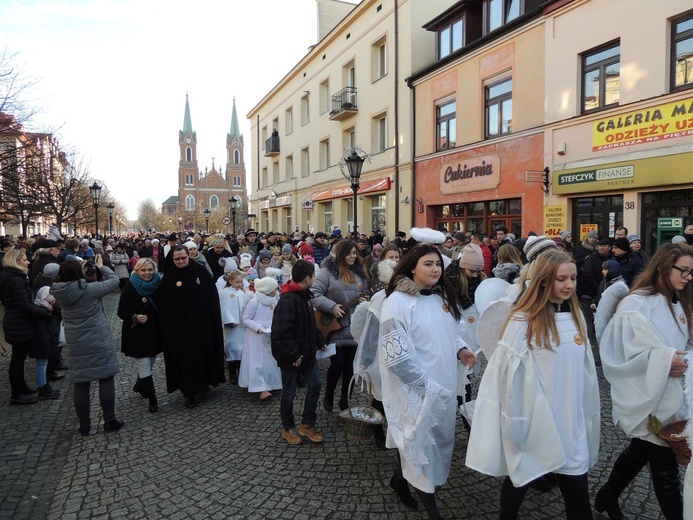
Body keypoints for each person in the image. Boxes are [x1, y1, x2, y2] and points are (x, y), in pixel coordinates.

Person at [467, 249, 600, 519]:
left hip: (571, 424)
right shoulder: (522, 320)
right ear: (542, 280)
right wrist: (515, 424)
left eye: (573, 278)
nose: (569, 285)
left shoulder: (575, 318)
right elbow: (506, 377)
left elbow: (584, 374)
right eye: (561, 279)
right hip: (534, 422)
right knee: (520, 479)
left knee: (578, 496)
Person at [595, 242, 693, 520]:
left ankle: (606, 496)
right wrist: (663, 361)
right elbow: (620, 353)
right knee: (665, 472)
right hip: (647, 397)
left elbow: (681, 342)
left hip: (670, 395)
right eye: (684, 271)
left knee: (639, 451)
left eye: (691, 272)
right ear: (663, 266)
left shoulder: (677, 299)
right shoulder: (635, 303)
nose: (688, 278)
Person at [378, 243, 476, 518]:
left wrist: (460, 349)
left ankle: (399, 480)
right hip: (417, 392)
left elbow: (449, 333)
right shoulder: (396, 302)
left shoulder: (439, 298)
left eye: (438, 264)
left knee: (435, 445)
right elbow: (396, 356)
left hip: (443, 388)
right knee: (420, 446)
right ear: (412, 267)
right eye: (428, 264)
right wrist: (426, 389)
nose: (435, 269)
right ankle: (433, 512)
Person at [52, 256, 124, 435]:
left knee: (81, 383)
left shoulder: (59, 292)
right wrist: (101, 267)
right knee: (106, 378)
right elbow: (114, 281)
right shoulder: (90, 289)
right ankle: (109, 420)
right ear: (79, 271)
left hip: (76, 342)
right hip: (98, 339)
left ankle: (84, 425)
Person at [158, 245, 226, 409]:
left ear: (189, 257)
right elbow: (164, 305)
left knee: (202, 355)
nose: (180, 261)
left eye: (183, 258)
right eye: (177, 259)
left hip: (201, 325)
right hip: (180, 329)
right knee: (186, 360)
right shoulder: (169, 277)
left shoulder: (200, 272)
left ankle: (205, 383)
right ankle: (189, 393)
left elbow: (211, 299)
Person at [271, 259, 326, 445]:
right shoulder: (288, 300)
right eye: (314, 276)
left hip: (307, 354)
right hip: (292, 358)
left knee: (316, 384)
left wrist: (319, 340)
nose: (315, 279)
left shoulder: (304, 295)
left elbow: (309, 324)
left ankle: (307, 424)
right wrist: (293, 355)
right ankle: (288, 427)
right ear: (308, 278)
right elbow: (280, 333)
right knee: (289, 393)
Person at [311, 239, 369, 412]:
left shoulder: (360, 273)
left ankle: (345, 400)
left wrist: (366, 302)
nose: (353, 256)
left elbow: (366, 298)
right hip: (333, 327)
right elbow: (314, 293)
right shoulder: (326, 271)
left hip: (354, 327)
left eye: (354, 253)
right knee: (337, 365)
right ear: (341, 253)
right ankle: (329, 393)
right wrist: (332, 306)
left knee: (351, 369)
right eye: (349, 253)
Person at [0, 249, 54, 405]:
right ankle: (17, 394)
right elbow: (24, 305)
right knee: (17, 359)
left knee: (19, 358)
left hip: (16, 321)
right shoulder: (16, 280)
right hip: (19, 323)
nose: (28, 261)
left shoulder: (13, 277)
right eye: (24, 259)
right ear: (16, 262)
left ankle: (21, 387)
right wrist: (43, 312)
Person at [117, 257, 162, 413]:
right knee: (143, 365)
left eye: (150, 270)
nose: (147, 273)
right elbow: (121, 311)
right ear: (137, 270)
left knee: (150, 362)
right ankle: (152, 398)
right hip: (136, 332)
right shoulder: (131, 287)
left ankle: (140, 383)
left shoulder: (158, 284)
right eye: (143, 270)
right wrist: (135, 317)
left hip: (155, 331)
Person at [239, 276, 282, 401]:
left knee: (270, 360)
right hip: (256, 336)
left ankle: (271, 383)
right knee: (258, 362)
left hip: (270, 334)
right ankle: (261, 387)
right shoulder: (255, 301)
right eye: (274, 288)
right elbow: (246, 319)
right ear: (268, 289)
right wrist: (258, 328)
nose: (276, 290)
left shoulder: (274, 300)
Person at [218, 269, 248, 385]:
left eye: (241, 282)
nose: (239, 284)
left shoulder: (242, 293)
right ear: (230, 281)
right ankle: (232, 373)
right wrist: (229, 320)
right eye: (237, 282)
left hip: (241, 325)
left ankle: (241, 371)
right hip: (231, 327)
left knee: (241, 348)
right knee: (232, 348)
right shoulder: (224, 293)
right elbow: (224, 308)